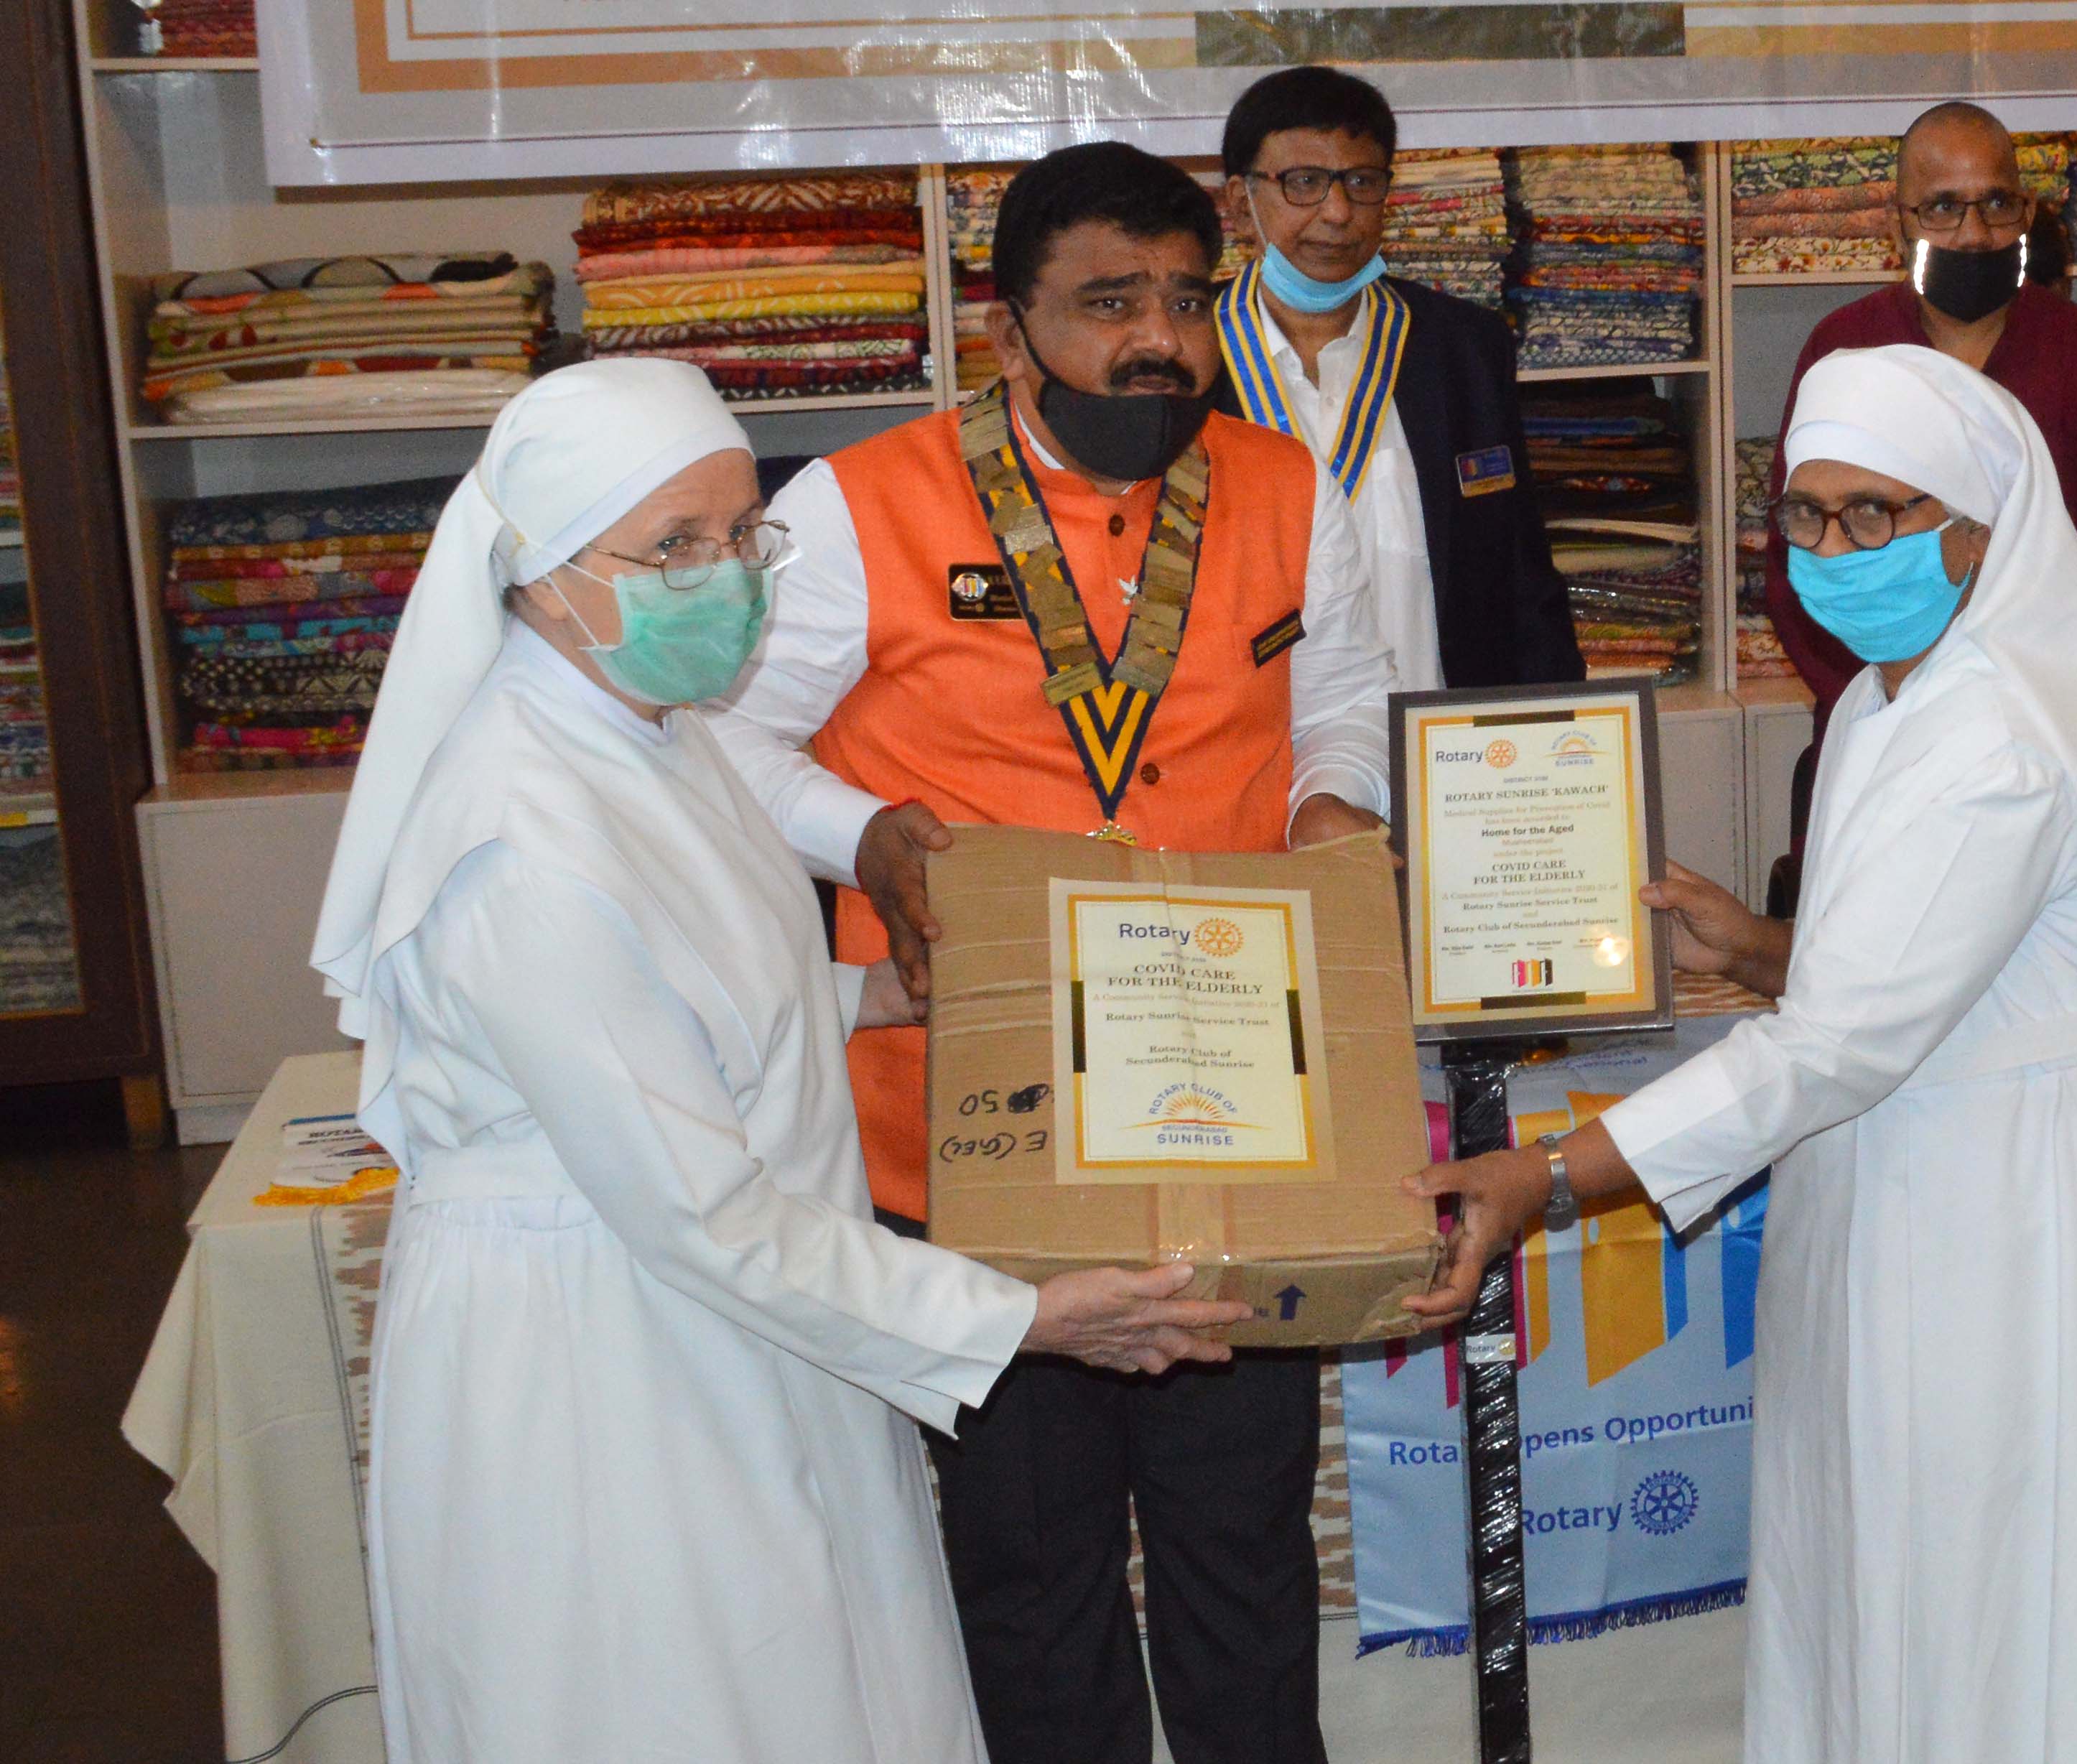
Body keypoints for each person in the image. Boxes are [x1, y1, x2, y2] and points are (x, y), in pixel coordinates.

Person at [307, 359, 1251, 1764]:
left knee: (828, 1676)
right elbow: (698, 1202)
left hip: (741, 1314)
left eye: (743, 532)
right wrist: (1023, 1318)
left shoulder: (649, 730)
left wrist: (873, 992)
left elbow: (690, 991)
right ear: (542, 573)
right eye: (675, 547)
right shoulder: (517, 844)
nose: (729, 574)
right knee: (686, 1703)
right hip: (609, 1361)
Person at [1410, 345, 2077, 1764]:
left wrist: (1549, 1174)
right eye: (1808, 515)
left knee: (2032, 1567)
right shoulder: (1908, 691)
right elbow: (1938, 967)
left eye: (1874, 515)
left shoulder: (1995, 728)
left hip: (2039, 1205)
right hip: (1934, 1162)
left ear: (1978, 526)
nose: (1834, 550)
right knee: (1916, 1549)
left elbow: (1842, 1041)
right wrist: (1758, 946)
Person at [708, 144, 1399, 1764]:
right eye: (1107, 303)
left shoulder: (1288, 487)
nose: (1156, 339)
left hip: (1230, 1112)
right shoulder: (860, 504)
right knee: (1030, 1568)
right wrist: (863, 833)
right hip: (972, 1120)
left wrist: (1330, 813)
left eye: (1183, 298)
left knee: (1242, 1550)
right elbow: (725, 739)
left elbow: (1344, 699)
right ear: (1008, 327)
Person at [1762, 100, 2077, 903]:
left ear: (2028, 210)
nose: (1974, 233)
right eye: (1943, 207)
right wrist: (1890, 702)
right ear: (1897, 220)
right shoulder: (1846, 350)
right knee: (1861, 948)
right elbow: (1800, 553)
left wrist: (2006, 721)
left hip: (2047, 740)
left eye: (1997, 204)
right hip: (1872, 719)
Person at [1212, 64, 1583, 690]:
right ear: (1239, 206)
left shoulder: (1461, 346)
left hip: (1441, 751)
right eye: (1303, 182)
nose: (1337, 212)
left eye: (1361, 181)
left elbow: (1520, 575)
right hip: (1256, 756)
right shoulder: (1188, 359)